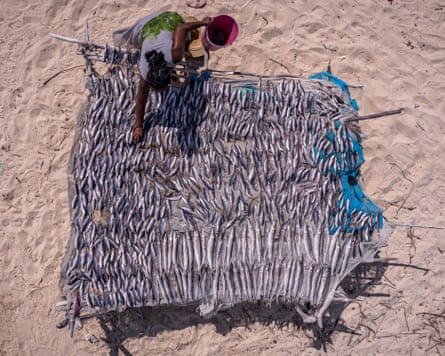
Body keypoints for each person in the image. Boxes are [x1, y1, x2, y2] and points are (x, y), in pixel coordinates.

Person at [112, 11, 212, 143]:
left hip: (170, 19)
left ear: (169, 77)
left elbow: (181, 28)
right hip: (148, 26)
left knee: (187, 45)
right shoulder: (145, 71)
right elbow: (141, 100)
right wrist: (139, 126)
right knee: (171, 40)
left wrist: (203, 23)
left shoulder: (175, 55)